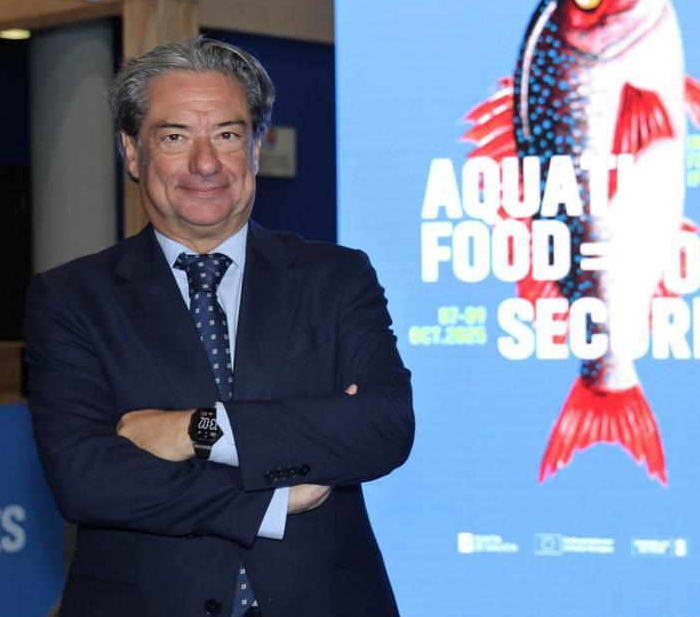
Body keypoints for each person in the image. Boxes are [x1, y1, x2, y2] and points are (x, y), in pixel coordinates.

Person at [26, 37, 414, 617]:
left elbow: (383, 426)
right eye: (175, 136)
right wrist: (269, 503)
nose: (205, 163)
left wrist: (199, 429)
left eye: (228, 135)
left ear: (256, 148)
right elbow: (87, 476)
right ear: (132, 153)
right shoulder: (71, 298)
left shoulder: (335, 277)